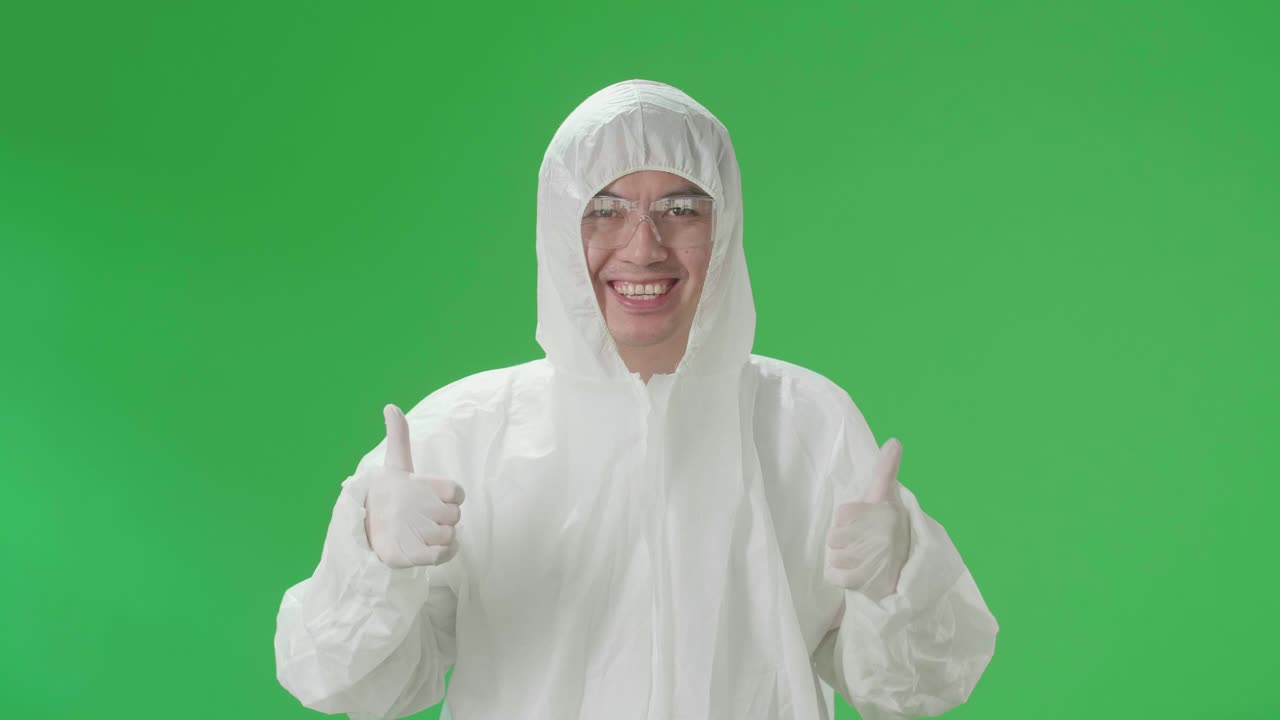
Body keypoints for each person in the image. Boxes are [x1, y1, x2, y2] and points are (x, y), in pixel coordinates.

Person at [274, 79, 999, 720]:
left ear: (724, 229)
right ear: (559, 230)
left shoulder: (806, 424)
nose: (643, 246)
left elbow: (914, 690)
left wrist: (901, 576)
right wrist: (372, 561)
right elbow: (350, 687)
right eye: (605, 211)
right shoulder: (464, 436)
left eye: (680, 210)